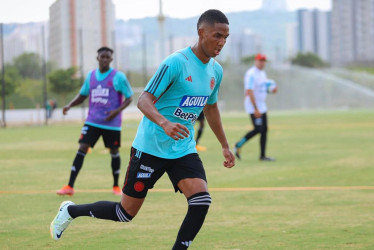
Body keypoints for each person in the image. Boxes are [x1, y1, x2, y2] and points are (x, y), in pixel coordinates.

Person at [50, 10, 235, 249]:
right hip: (150, 147)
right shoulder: (176, 63)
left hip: (182, 149)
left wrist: (225, 145)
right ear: (201, 33)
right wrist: (165, 123)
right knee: (124, 213)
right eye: (217, 35)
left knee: (201, 200)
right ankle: (71, 211)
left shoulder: (215, 71)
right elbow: (143, 100)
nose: (221, 42)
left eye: (226, 38)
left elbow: (211, 109)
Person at [56, 46, 134, 196]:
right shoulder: (91, 76)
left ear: (111, 59)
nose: (105, 59)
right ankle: (69, 186)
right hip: (92, 121)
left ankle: (116, 186)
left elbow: (129, 97)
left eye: (108, 57)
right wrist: (69, 105)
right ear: (97, 58)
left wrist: (116, 111)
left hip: (112, 123)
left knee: (114, 151)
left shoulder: (118, 77)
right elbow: (82, 95)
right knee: (82, 147)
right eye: (102, 57)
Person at [234, 53, 277, 161]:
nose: (262, 63)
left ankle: (262, 155)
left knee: (264, 129)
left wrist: (271, 90)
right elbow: (249, 91)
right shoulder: (251, 74)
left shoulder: (262, 73)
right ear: (256, 61)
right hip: (253, 105)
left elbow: (263, 88)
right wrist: (255, 108)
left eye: (264, 61)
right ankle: (238, 145)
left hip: (262, 105)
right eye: (260, 60)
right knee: (258, 129)